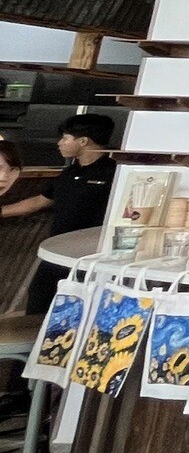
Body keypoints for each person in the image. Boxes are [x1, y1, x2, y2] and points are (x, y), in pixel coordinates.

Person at [4, 114, 119, 314]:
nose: (60, 143)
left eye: (65, 138)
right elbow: (39, 202)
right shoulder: (69, 173)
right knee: (39, 298)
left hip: (92, 258)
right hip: (57, 253)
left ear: (83, 141)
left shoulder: (114, 173)